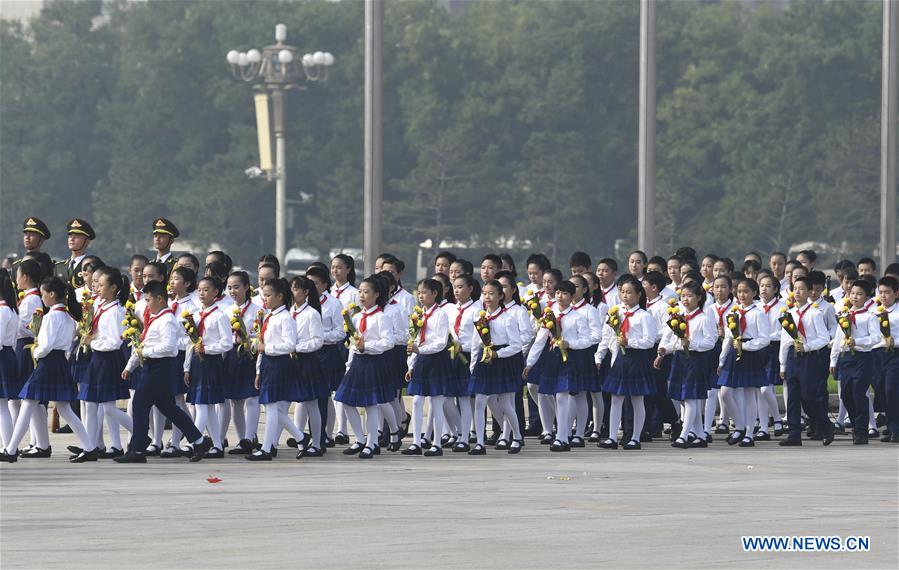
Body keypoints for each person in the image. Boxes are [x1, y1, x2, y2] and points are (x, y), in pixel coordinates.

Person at [114, 281, 210, 463]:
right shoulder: (155, 318)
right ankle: (198, 440)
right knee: (169, 408)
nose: (147, 303)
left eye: (149, 299)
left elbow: (169, 348)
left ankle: (138, 449)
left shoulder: (167, 320)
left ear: (160, 299)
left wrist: (145, 353)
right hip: (152, 367)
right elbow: (143, 345)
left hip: (160, 368)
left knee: (140, 404)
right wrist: (130, 366)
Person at [1, 277, 93, 463]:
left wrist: (37, 352)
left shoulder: (51, 317)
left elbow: (46, 345)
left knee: (28, 403)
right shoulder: (68, 316)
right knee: (65, 409)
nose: (42, 298)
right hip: (59, 363)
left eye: (43, 294)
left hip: (47, 363)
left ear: (51, 294)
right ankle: (90, 447)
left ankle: (10, 450)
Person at [524, 281, 592, 452]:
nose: (560, 296)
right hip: (554, 359)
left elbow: (587, 340)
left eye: (564, 293)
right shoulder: (549, 315)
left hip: (572, 358)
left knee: (563, 397)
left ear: (571, 296)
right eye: (558, 293)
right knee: (556, 396)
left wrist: (570, 344)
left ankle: (563, 437)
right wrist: (530, 362)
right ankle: (562, 435)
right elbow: (540, 339)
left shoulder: (578, 316)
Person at [333, 277, 397, 459]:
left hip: (373, 362)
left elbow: (388, 342)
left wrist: (366, 346)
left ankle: (371, 443)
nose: (362, 295)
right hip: (358, 363)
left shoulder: (381, 317)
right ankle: (360, 439)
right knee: (344, 400)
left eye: (366, 292)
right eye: (360, 291)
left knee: (370, 405)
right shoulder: (356, 316)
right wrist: (350, 362)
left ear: (376, 295)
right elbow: (353, 343)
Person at [596, 274, 657, 450]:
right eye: (622, 292)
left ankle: (635, 438)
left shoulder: (644, 316)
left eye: (629, 292)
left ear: (639, 294)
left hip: (637, 359)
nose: (625, 295)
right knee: (616, 398)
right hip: (621, 359)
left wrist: (629, 342)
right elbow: (607, 335)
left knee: (637, 399)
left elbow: (649, 341)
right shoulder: (616, 312)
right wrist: (600, 355)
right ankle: (612, 437)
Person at [655, 281, 716, 448]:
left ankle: (683, 435)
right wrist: (662, 351)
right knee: (684, 399)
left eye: (690, 296)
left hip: (696, 360)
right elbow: (671, 340)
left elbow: (710, 342)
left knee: (690, 398)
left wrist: (692, 344)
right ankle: (700, 435)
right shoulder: (677, 317)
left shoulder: (704, 318)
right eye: (683, 296)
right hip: (680, 359)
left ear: (699, 297)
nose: (686, 299)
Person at [467, 280, 524, 455]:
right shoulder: (480, 317)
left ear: (501, 296)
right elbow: (476, 343)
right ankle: (480, 443)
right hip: (484, 361)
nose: (487, 297)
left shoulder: (508, 317)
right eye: (484, 293)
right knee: (480, 402)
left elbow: (516, 345)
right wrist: (473, 364)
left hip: (502, 361)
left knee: (506, 403)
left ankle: (517, 437)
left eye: (492, 293)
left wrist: (498, 354)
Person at [777, 276, 833, 447]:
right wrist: (783, 364)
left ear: (810, 292)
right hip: (793, 358)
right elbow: (784, 341)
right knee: (793, 396)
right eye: (795, 289)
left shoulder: (815, 313)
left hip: (809, 359)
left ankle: (825, 425)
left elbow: (824, 339)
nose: (798, 292)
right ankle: (794, 434)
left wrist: (807, 347)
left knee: (809, 396)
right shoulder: (789, 314)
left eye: (802, 289)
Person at [183, 277, 234, 458]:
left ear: (215, 292)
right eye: (200, 290)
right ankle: (217, 445)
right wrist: (187, 367)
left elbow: (227, 343)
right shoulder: (195, 316)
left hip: (211, 362)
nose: (202, 293)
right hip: (197, 362)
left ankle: (194, 442)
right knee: (207, 406)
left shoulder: (220, 316)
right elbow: (191, 344)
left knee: (202, 404)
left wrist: (208, 349)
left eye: (206, 290)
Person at [717, 278, 771, 447]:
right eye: (739, 291)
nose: (742, 295)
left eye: (746, 291)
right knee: (725, 392)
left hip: (750, 354)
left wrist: (746, 346)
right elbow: (728, 338)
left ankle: (749, 433)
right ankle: (739, 426)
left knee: (749, 395)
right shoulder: (733, 313)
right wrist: (722, 359)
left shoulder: (758, 313)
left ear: (754, 293)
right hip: (734, 353)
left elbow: (764, 339)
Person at [403, 279, 453, 457]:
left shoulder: (440, 314)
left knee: (436, 402)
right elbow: (415, 340)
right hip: (422, 360)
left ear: (435, 293)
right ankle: (416, 442)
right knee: (417, 401)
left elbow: (441, 342)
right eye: (419, 292)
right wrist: (411, 364)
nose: (421, 296)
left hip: (436, 360)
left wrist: (420, 349)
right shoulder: (419, 314)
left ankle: (436, 443)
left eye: (424, 292)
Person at [830, 280, 881, 444]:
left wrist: (857, 342)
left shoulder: (870, 316)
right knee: (845, 393)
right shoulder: (844, 314)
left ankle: (861, 431)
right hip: (846, 359)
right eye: (852, 293)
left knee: (859, 392)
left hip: (863, 358)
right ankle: (856, 423)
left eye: (859, 294)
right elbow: (838, 339)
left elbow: (876, 338)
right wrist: (833, 360)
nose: (855, 297)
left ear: (866, 296)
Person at [222, 271, 263, 455]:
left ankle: (250, 436)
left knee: (252, 399)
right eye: (229, 287)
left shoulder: (258, 311)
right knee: (235, 402)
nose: (232, 291)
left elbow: (261, 335)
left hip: (250, 357)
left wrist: (250, 344)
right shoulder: (226, 311)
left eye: (236, 287)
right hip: (231, 357)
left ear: (247, 287)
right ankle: (242, 441)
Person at [875, 276, 899, 443]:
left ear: (896, 293)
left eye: (887, 292)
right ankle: (891, 427)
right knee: (881, 392)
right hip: (877, 355)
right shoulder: (874, 312)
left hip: (895, 355)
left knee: (892, 392)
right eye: (881, 292)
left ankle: (895, 429)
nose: (883, 296)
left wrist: (894, 342)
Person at [0, 273, 19, 448]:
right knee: (4, 405)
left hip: (2, 357)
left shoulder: (2, 310)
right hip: (8, 355)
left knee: (2, 406)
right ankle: (8, 445)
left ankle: (7, 446)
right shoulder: (11, 309)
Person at [54, 218, 95, 289]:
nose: (72, 239)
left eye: (77, 236)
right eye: (70, 236)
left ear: (87, 241)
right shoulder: (57, 267)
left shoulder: (92, 266)